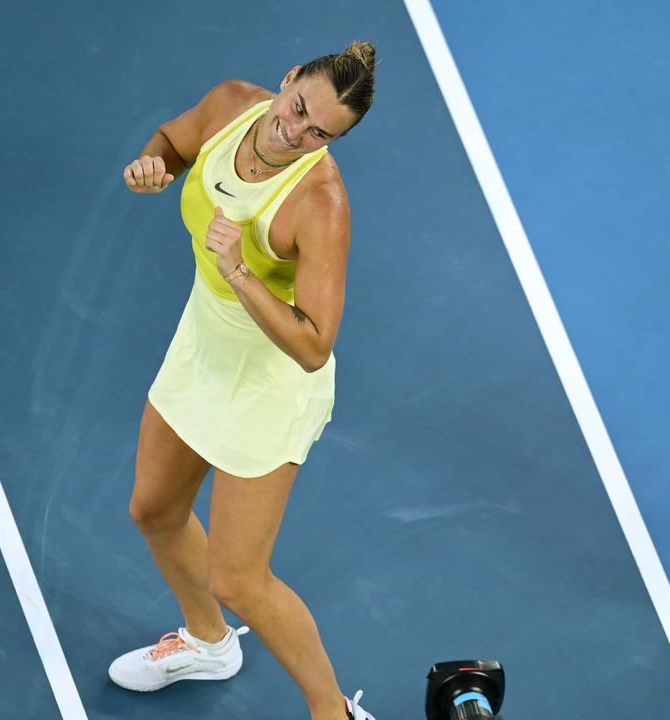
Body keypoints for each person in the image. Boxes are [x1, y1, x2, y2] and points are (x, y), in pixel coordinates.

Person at [110, 42, 378, 720]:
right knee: (155, 511)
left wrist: (239, 271)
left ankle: (334, 713)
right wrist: (154, 168)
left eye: (320, 133)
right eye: (297, 110)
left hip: (270, 386)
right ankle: (207, 642)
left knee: (239, 577)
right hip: (203, 347)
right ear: (287, 80)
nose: (297, 133)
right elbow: (174, 140)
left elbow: (313, 347)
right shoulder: (231, 103)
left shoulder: (320, 204)